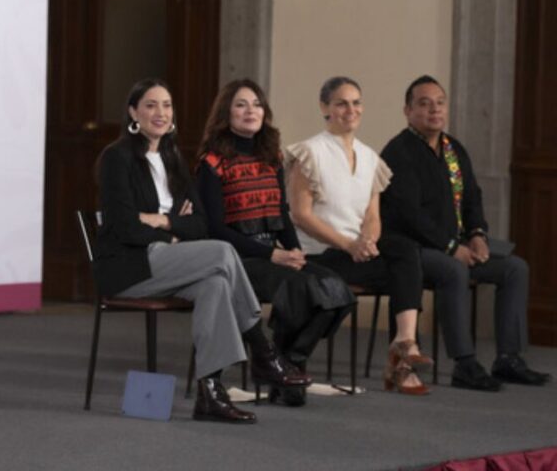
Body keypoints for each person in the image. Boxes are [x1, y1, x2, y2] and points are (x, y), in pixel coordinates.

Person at [93, 78, 309, 425]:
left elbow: (200, 224)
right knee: (222, 252)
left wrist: (163, 221)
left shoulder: (173, 158)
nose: (160, 112)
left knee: (215, 285)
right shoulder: (117, 158)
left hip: (169, 262)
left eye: (166, 105)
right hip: (130, 267)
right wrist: (174, 231)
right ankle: (263, 351)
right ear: (133, 112)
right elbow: (125, 227)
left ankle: (210, 393)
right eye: (150, 105)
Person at [379, 75, 550, 391]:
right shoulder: (398, 152)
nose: (434, 110)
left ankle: (509, 358)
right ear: (407, 111)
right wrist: (450, 248)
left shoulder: (453, 149)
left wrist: (477, 235)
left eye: (440, 103)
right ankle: (465, 363)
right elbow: (408, 215)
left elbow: (472, 197)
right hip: (413, 249)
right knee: (453, 270)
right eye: (424, 104)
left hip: (456, 245)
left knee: (515, 268)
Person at [195, 79, 354, 406]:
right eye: (241, 104)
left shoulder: (272, 157)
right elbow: (216, 230)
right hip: (238, 260)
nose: (250, 110)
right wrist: (273, 255)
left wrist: (294, 251)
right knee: (301, 289)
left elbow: (281, 212)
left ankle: (288, 361)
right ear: (226, 113)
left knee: (337, 290)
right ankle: (280, 369)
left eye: (256, 104)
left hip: (274, 253)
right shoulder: (212, 163)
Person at [285, 76, 431, 395]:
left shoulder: (369, 158)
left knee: (406, 252)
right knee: (405, 273)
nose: (350, 110)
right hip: (318, 255)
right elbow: (301, 215)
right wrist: (349, 244)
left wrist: (367, 241)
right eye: (341, 103)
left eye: (356, 102)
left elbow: (373, 216)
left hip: (353, 254)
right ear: (325, 107)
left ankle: (404, 342)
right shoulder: (309, 152)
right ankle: (401, 365)